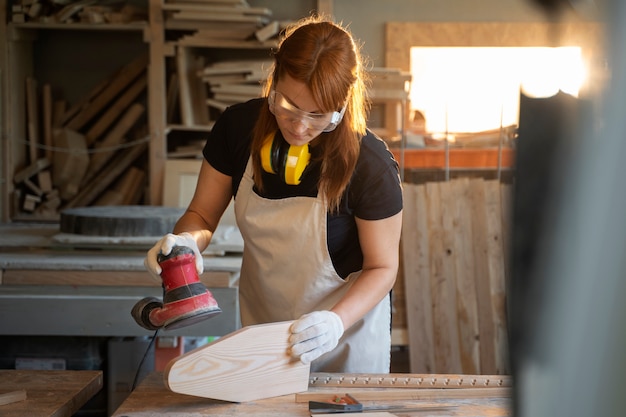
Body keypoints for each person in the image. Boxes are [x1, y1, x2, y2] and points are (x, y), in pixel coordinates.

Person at [144, 15, 403, 373]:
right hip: (265, 336)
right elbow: (202, 216)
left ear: (342, 107)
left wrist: (334, 322)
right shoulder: (237, 130)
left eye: (318, 116)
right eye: (288, 106)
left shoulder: (370, 164)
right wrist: (187, 242)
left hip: (345, 340)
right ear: (274, 79)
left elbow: (383, 267)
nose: (299, 127)